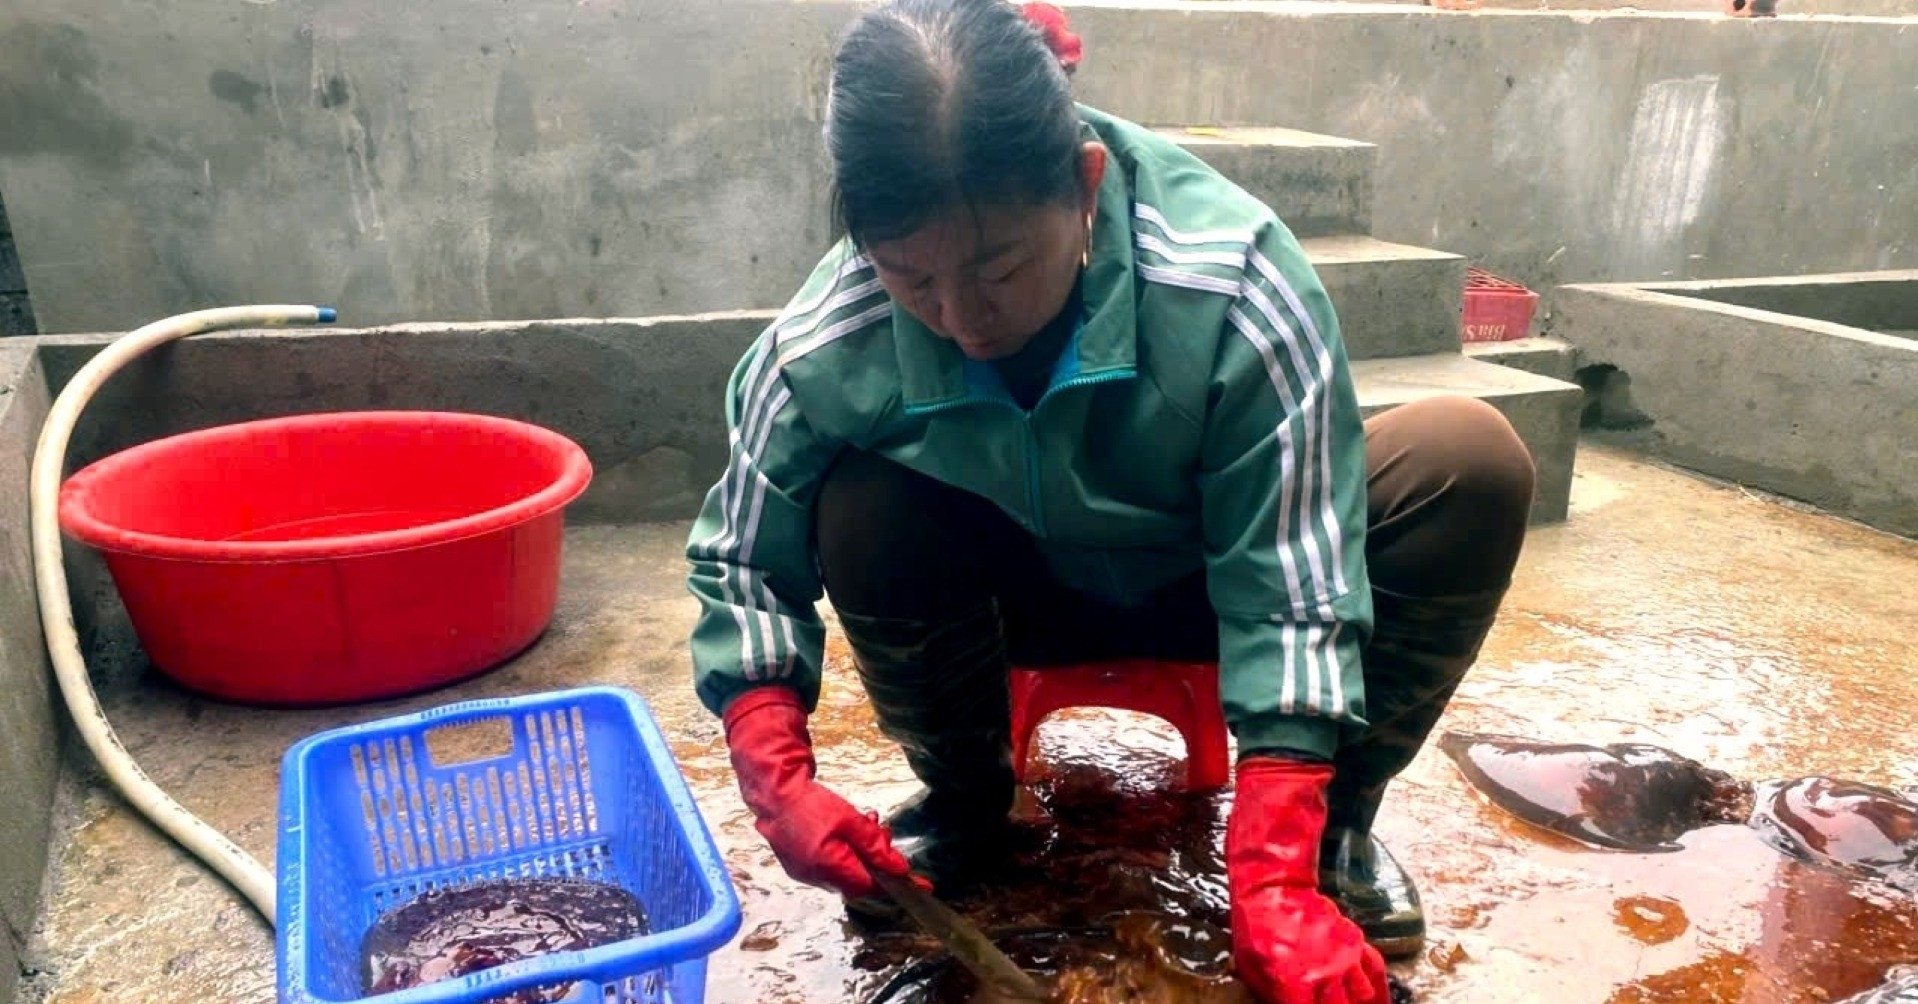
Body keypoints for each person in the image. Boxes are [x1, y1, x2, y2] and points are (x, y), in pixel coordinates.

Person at [684, 1, 1535, 1000]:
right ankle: (963, 798)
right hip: (1011, 602)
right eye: (912, 275)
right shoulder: (837, 325)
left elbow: (1296, 583)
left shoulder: (1235, 283)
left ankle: (1335, 827)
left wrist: (1269, 868)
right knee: (860, 496)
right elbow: (742, 550)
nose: (959, 316)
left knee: (1465, 459)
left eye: (997, 266)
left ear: (1084, 186)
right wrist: (771, 767)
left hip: (1212, 585)